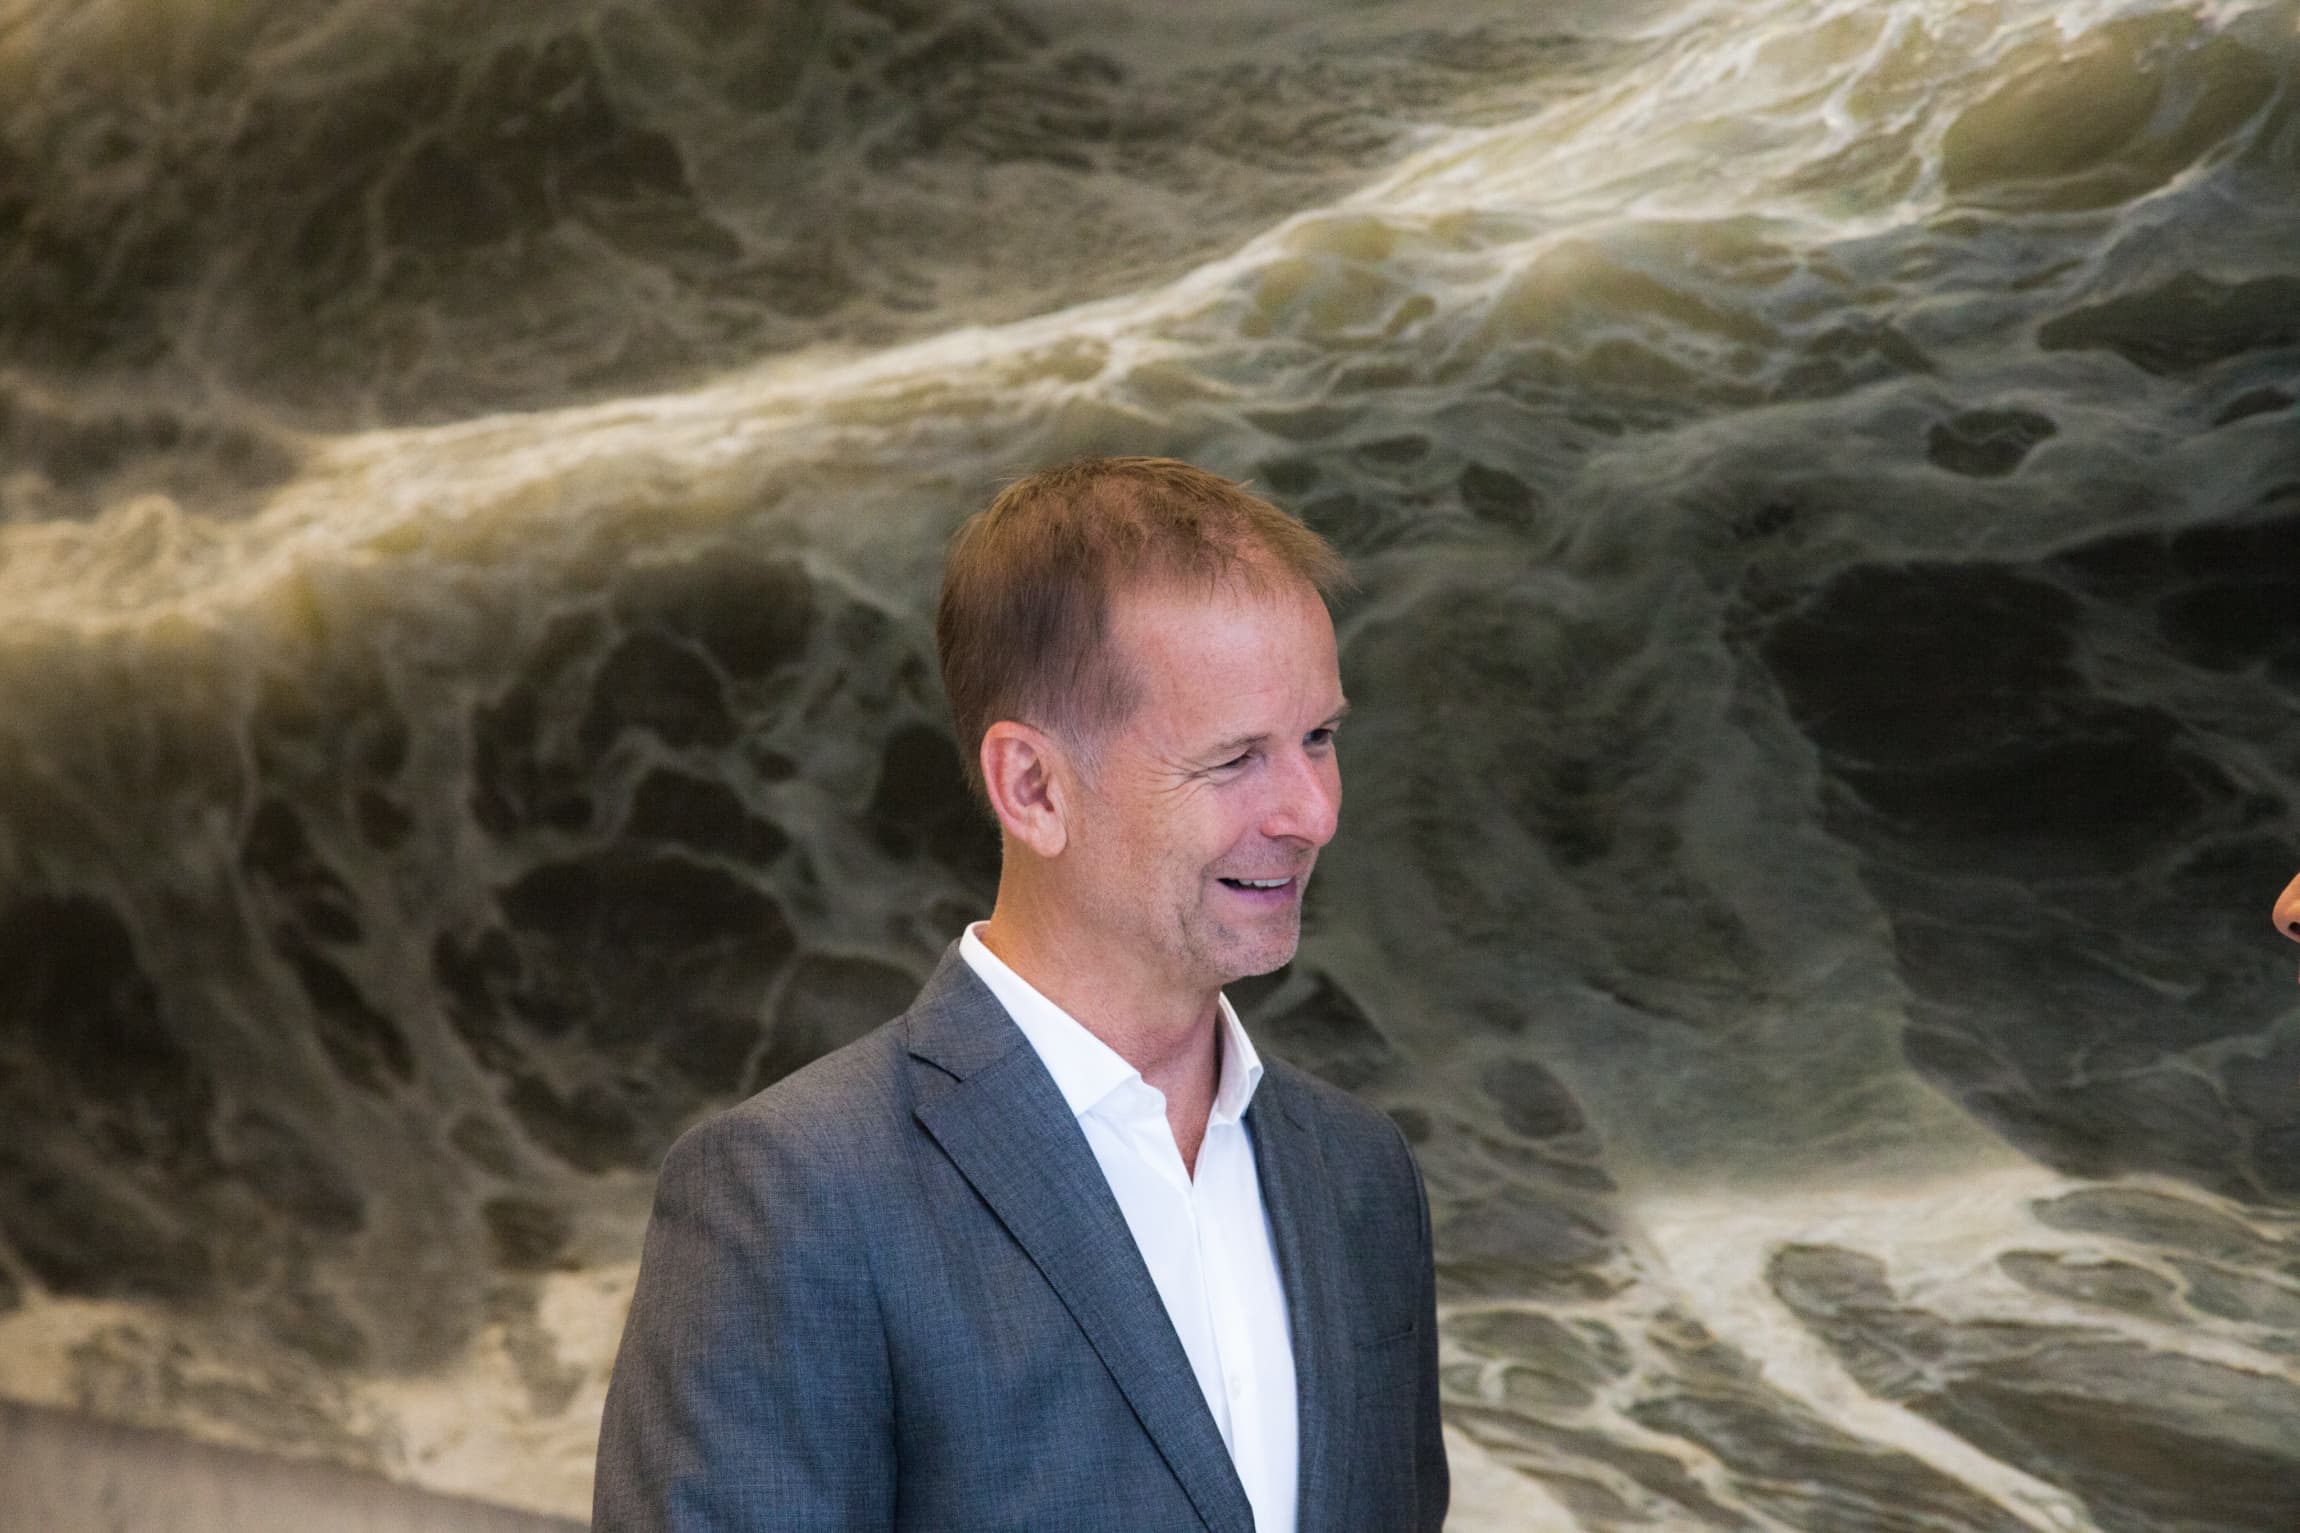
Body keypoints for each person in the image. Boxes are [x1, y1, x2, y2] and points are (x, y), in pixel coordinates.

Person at [592, 457, 1448, 1532]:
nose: (1311, 811)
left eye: (1317, 738)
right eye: (1233, 760)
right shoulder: (790, 1198)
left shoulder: (1359, 1176)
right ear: (1032, 788)